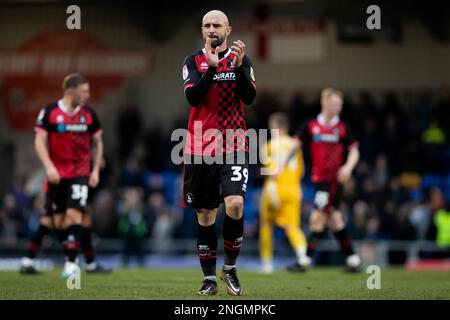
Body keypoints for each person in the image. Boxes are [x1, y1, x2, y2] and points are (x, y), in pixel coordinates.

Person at [181, 10, 256, 295]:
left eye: (217, 25)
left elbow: (249, 97)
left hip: (234, 144)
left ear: (229, 29)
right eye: (207, 25)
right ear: (202, 30)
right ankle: (209, 279)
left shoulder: (242, 60)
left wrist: (236, 68)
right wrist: (212, 68)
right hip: (201, 147)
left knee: (235, 203)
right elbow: (193, 97)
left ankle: (231, 269)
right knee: (206, 213)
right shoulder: (193, 61)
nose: (212, 29)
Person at [27, 73, 104, 278]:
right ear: (71, 91)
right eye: (84, 91)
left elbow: (98, 143)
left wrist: (95, 170)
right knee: (57, 221)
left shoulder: (88, 114)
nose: (87, 95)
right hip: (56, 175)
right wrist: (49, 167)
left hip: (79, 173)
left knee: (75, 215)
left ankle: (72, 264)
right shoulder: (50, 112)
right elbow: (39, 141)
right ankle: (85, 261)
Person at [292, 88, 362, 272]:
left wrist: (347, 167)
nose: (338, 107)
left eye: (340, 104)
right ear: (325, 103)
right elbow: (296, 144)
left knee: (317, 217)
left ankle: (305, 260)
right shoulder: (311, 125)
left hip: (332, 182)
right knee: (335, 220)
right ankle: (353, 259)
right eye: (335, 103)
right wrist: (283, 162)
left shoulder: (343, 128)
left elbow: (354, 151)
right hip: (319, 180)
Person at [259, 113, 308, 273]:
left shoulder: (269, 145)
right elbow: (302, 172)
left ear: (275, 126)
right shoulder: (296, 145)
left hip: (274, 190)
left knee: (267, 225)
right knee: (293, 226)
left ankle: (267, 264)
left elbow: (270, 171)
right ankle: (302, 256)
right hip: (293, 190)